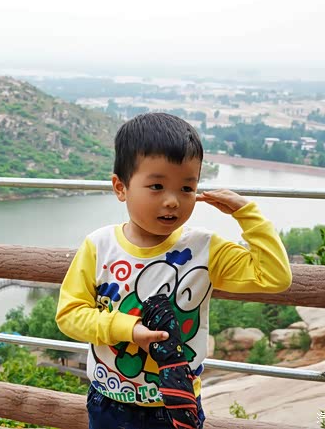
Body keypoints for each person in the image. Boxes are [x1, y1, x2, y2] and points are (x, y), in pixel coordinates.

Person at [55, 113, 292, 429]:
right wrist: (129, 329)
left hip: (177, 406)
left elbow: (275, 276)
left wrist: (247, 214)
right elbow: (69, 315)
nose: (172, 201)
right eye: (156, 186)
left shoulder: (205, 249)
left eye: (186, 188)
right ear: (120, 187)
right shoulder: (99, 246)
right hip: (109, 402)